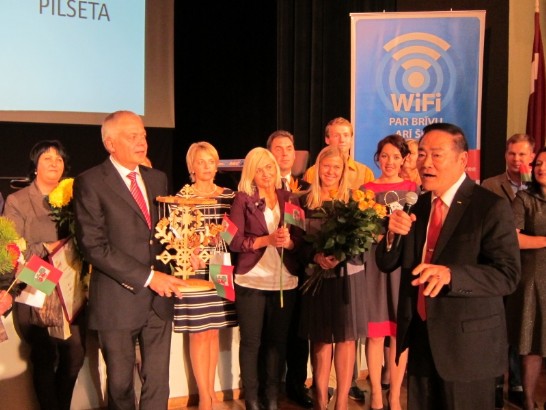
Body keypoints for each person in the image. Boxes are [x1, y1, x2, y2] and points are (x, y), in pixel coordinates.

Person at [375, 123, 520, 409]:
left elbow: (508, 275)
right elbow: (387, 262)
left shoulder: (489, 206)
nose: (425, 163)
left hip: (467, 348)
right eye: (422, 154)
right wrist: (392, 236)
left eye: (436, 155)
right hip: (421, 337)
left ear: (462, 159)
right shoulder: (417, 206)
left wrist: (452, 275)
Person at [73, 110, 187, 409]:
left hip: (159, 301)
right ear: (110, 144)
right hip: (117, 301)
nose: (142, 142)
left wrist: (187, 254)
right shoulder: (90, 182)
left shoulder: (157, 179)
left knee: (158, 382)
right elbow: (93, 246)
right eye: (132, 136)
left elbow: (164, 234)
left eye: (144, 135)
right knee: (120, 385)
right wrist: (149, 277)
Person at [3, 140, 86, 410]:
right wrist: (48, 248)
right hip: (34, 282)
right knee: (45, 354)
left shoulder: (74, 199)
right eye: (47, 158)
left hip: (69, 285)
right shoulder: (18, 200)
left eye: (59, 159)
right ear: (35, 166)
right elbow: (12, 247)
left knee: (74, 354)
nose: (54, 163)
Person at [228, 147, 303, 410]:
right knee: (251, 343)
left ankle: (271, 398)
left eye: (269, 167)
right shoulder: (242, 199)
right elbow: (233, 241)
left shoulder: (289, 198)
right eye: (259, 169)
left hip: (284, 281)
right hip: (251, 280)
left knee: (277, 342)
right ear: (251, 173)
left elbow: (301, 240)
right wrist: (266, 240)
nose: (266, 173)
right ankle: (251, 399)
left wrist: (289, 243)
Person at [303, 117, 372, 400]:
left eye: (336, 168)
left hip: (348, 280)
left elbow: (364, 243)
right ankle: (321, 400)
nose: (330, 172)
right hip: (317, 280)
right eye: (326, 166)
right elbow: (296, 242)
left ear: (344, 172)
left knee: (346, 340)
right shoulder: (302, 201)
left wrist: (339, 255)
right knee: (321, 342)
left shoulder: (355, 201)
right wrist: (316, 255)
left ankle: (342, 401)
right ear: (317, 168)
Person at [172, 142, 237, 410]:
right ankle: (203, 397)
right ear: (192, 166)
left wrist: (220, 237)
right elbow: (174, 233)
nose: (207, 167)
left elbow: (234, 232)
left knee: (212, 331)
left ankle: (210, 392)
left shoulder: (229, 196)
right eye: (201, 162)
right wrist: (191, 250)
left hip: (220, 267)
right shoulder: (183, 196)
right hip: (194, 269)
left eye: (211, 161)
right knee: (199, 332)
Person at [363, 135, 417, 410]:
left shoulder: (413, 190)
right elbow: (361, 231)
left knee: (399, 333)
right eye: (385, 156)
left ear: (405, 159)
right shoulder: (365, 190)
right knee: (374, 334)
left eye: (396, 156)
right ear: (377, 158)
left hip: (401, 266)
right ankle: (375, 391)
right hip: (373, 264)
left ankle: (395, 395)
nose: (390, 162)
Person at [481, 133, 534, 409]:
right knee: (498, 326)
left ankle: (517, 383)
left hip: (531, 268)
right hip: (498, 265)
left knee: (521, 329)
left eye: (522, 154)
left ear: (532, 157)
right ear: (505, 155)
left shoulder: (538, 187)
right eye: (512, 153)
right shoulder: (491, 185)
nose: (516, 159)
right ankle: (494, 383)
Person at [266, 130, 313, 408]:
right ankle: (269, 389)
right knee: (272, 336)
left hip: (298, 270)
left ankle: (297, 386)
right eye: (278, 148)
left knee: (298, 334)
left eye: (289, 148)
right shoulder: (260, 185)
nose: (284, 153)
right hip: (266, 272)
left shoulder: (307, 187)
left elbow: (305, 231)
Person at [506, 147, 546, 410]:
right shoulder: (524, 198)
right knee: (532, 343)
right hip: (532, 279)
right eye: (538, 163)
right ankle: (529, 402)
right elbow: (513, 239)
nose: (541, 168)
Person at [304, 117, 375, 190]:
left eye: (346, 135)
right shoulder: (312, 173)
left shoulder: (365, 173)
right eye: (336, 136)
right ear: (327, 139)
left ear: (351, 139)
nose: (342, 140)